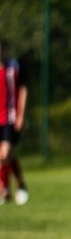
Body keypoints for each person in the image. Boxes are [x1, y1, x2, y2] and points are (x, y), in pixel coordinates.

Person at [0, 38, 28, 205]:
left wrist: (21, 114)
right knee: (7, 156)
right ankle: (19, 185)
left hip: (10, 118)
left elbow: (23, 89)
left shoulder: (14, 67)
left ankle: (5, 189)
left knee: (3, 154)